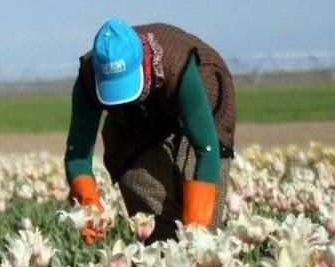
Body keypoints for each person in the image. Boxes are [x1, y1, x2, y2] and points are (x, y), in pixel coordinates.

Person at [65, 19, 237, 243]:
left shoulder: (176, 65)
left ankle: (198, 249)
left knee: (201, 227)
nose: (124, 97)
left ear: (142, 64)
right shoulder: (88, 79)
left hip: (201, 105)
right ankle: (162, 254)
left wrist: (196, 232)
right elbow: (78, 154)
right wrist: (88, 203)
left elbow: (206, 148)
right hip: (134, 123)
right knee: (145, 198)